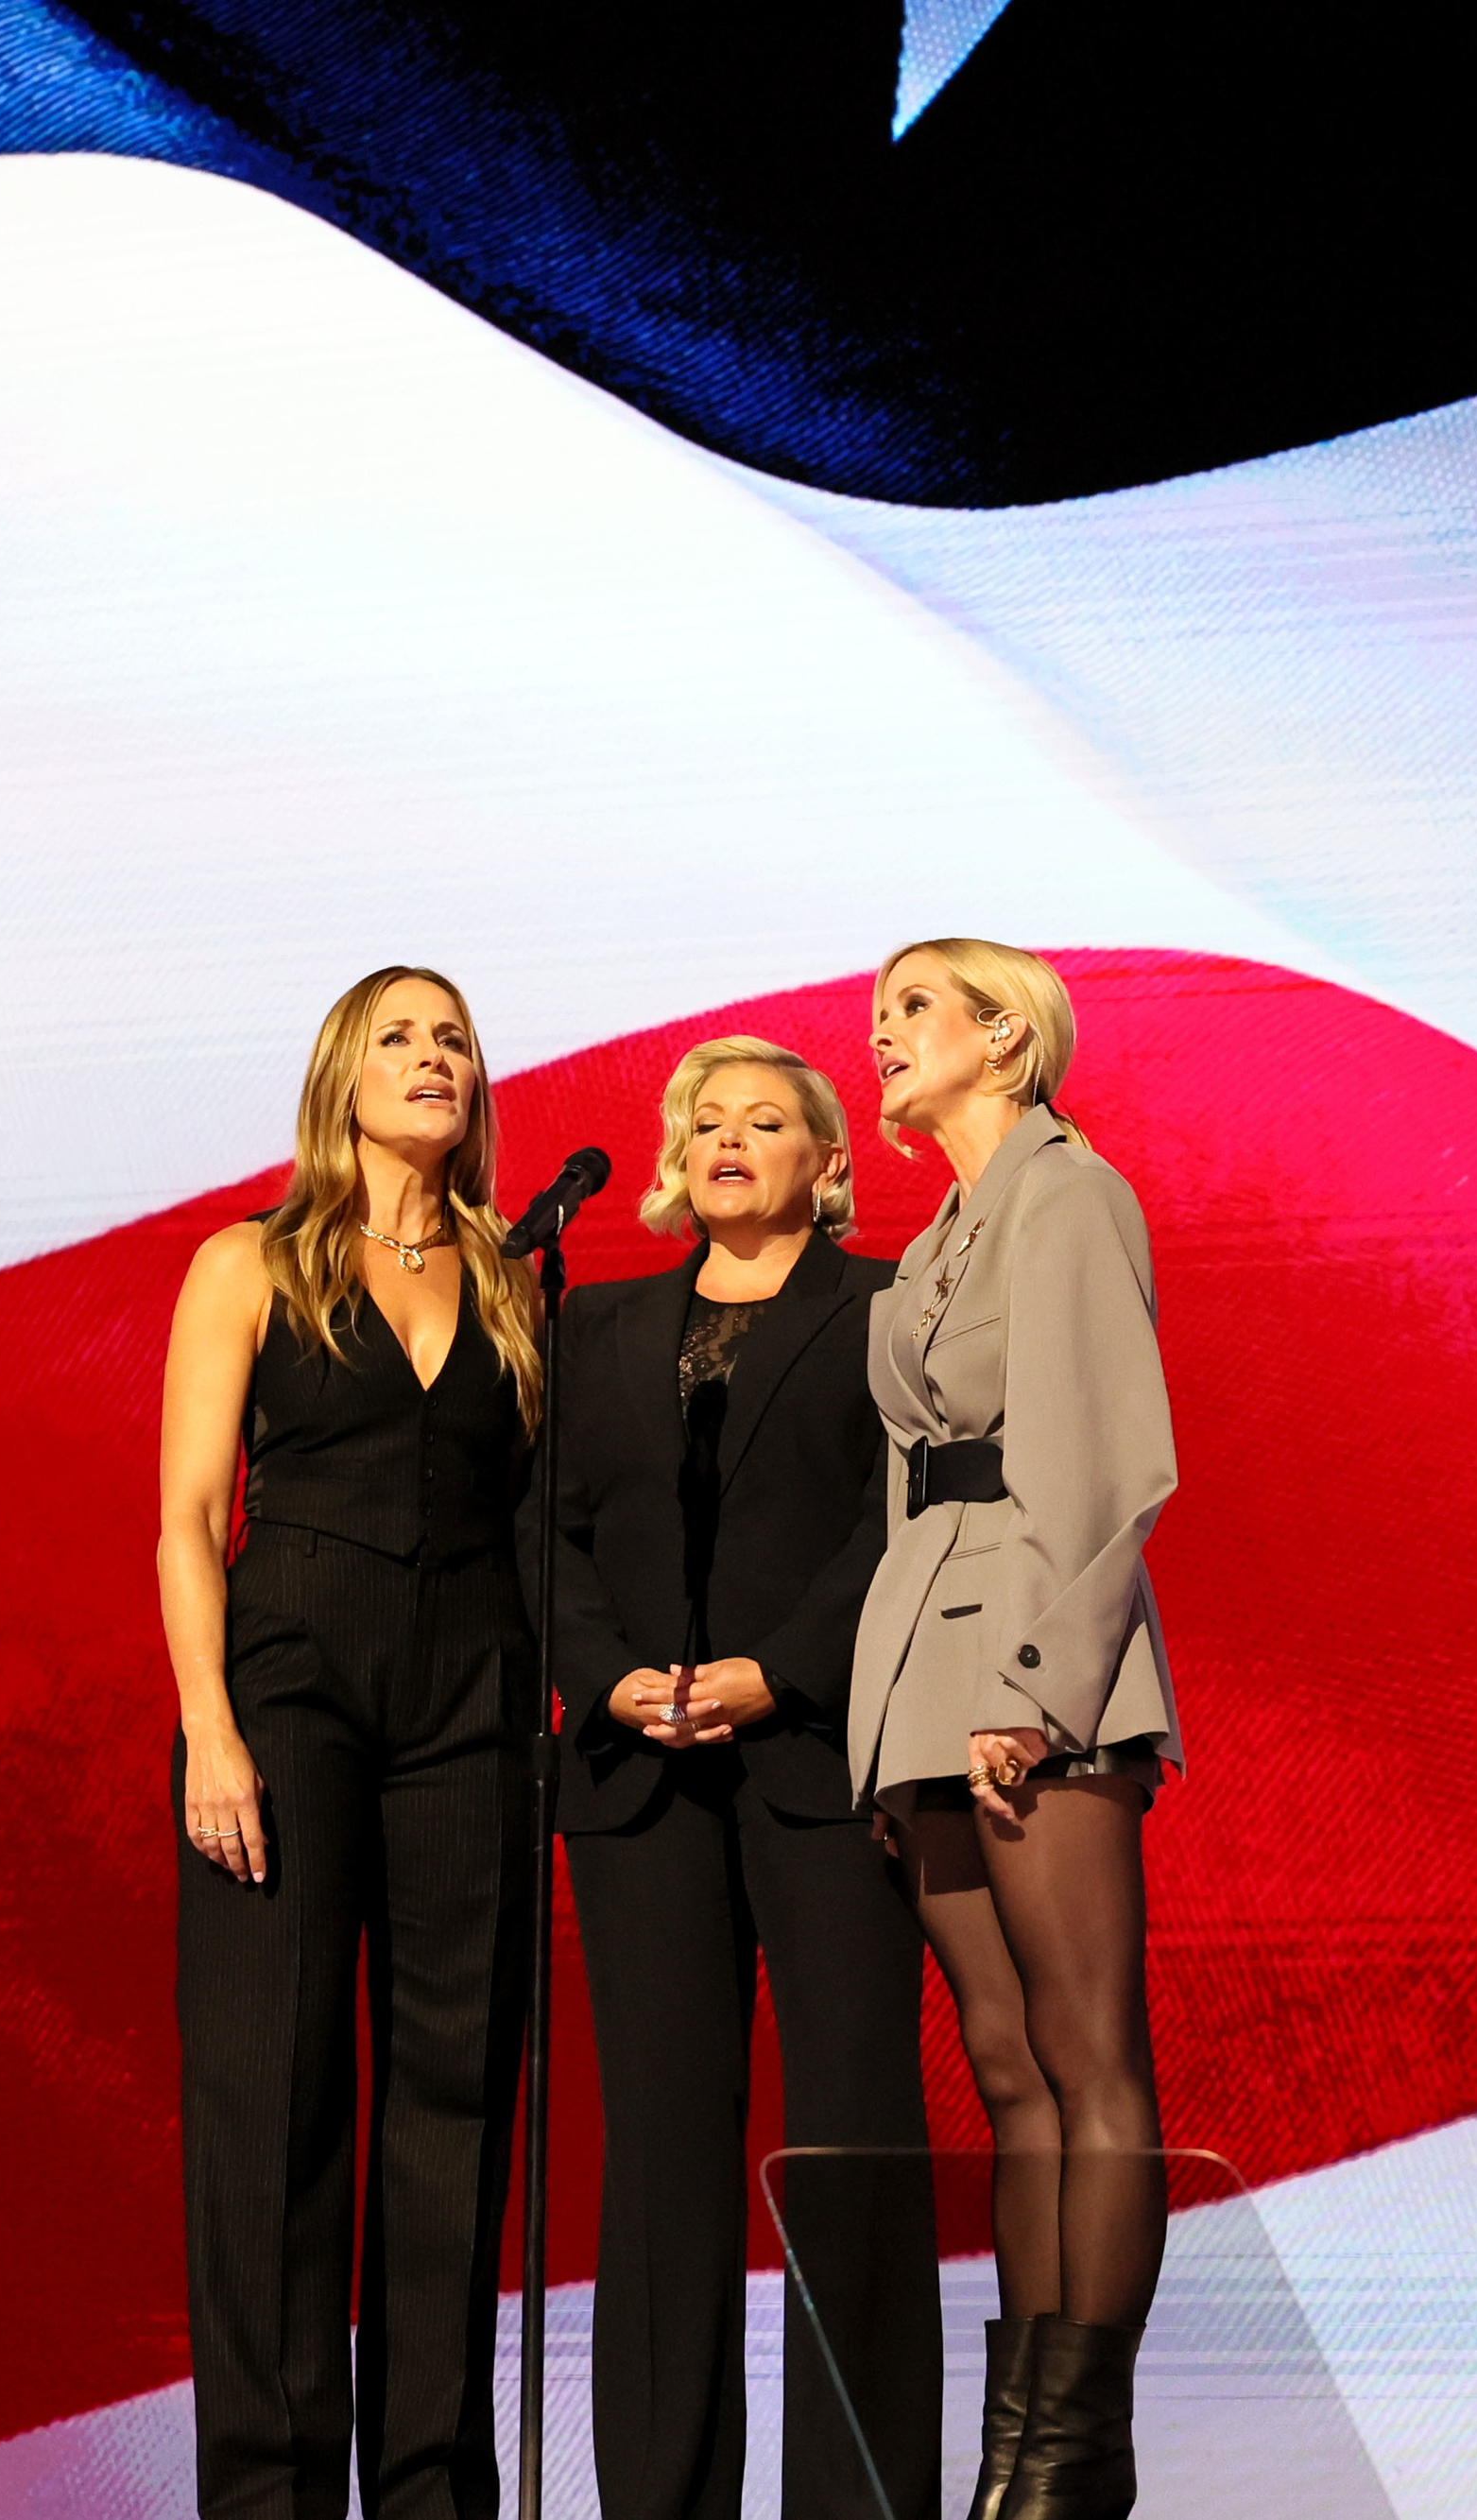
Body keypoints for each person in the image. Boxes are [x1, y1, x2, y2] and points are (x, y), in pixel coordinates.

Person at [157, 967, 545, 2520]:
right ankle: (269, 2496)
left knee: (452, 2103)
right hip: (288, 1689)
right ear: (341, 1076)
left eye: (453, 1035)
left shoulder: (518, 1276)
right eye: (399, 1034)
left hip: (475, 1703)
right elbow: (190, 1517)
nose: (431, 1055)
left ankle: (434, 2490)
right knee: (273, 2100)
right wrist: (210, 1730)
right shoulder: (247, 1261)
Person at [541, 1038, 941, 2520]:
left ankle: (858, 2496)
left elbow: (903, 1515)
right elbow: (553, 1530)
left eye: (766, 1120)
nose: (727, 1138)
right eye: (702, 1120)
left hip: (820, 1761)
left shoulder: (886, 1303)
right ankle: (660, 2493)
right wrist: (607, 1669)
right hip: (639, 1776)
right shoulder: (597, 1325)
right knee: (659, 2153)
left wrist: (782, 1665)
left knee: (849, 2135)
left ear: (826, 1165)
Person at [847, 941, 1178, 2520]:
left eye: (915, 1006)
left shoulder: (1070, 1194)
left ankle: (1070, 2465)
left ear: (1007, 1035)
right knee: (1006, 2065)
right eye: (881, 1012)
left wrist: (1039, 1688)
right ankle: (1015, 2466)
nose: (881, 1033)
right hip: (924, 1663)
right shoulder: (929, 1243)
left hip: (1035, 1657)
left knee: (1088, 2046)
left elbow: (1106, 1460)